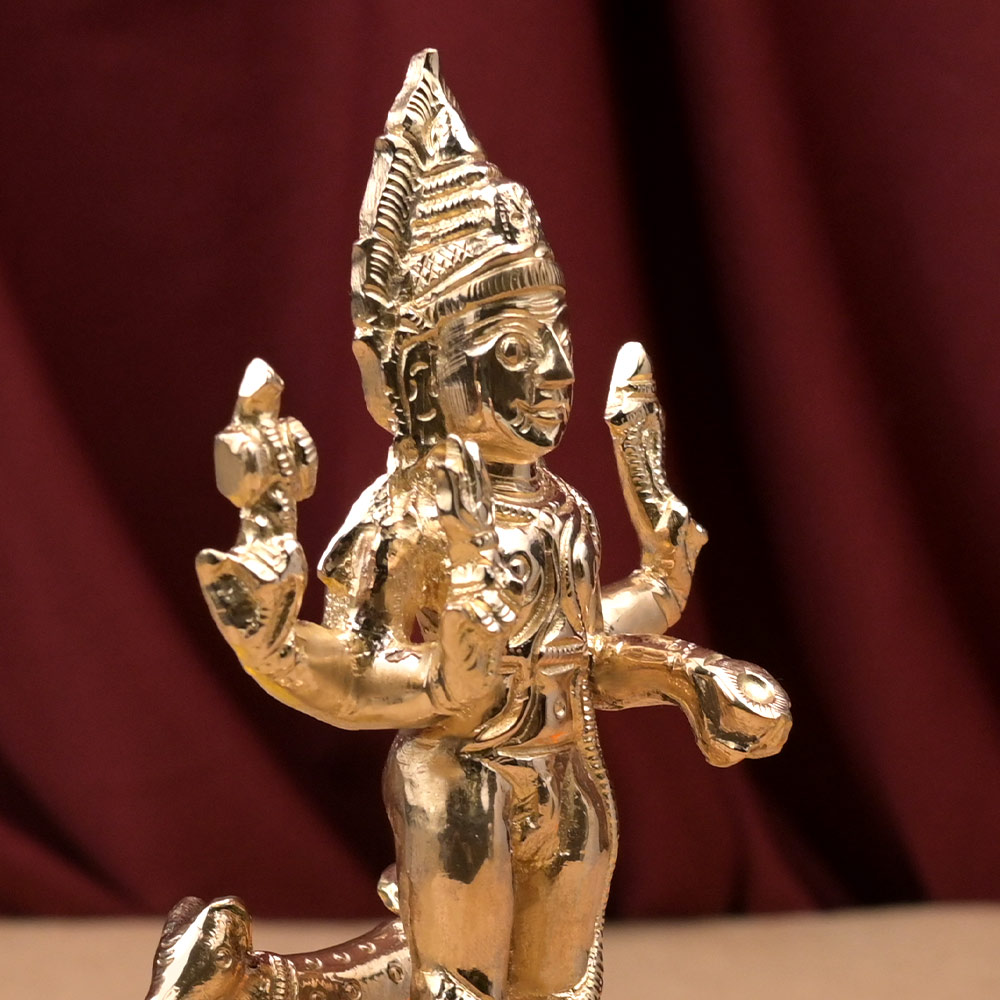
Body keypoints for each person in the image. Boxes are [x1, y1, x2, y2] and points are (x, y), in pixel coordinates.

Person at [197, 49, 790, 1000]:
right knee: (459, 983)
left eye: (557, 335)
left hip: (567, 779)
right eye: (513, 348)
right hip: (457, 777)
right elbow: (353, 677)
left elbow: (585, 653)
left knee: (558, 986)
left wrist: (689, 671)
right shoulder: (410, 516)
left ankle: (248, 985)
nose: (554, 370)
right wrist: (277, 644)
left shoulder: (564, 511)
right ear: (417, 376)